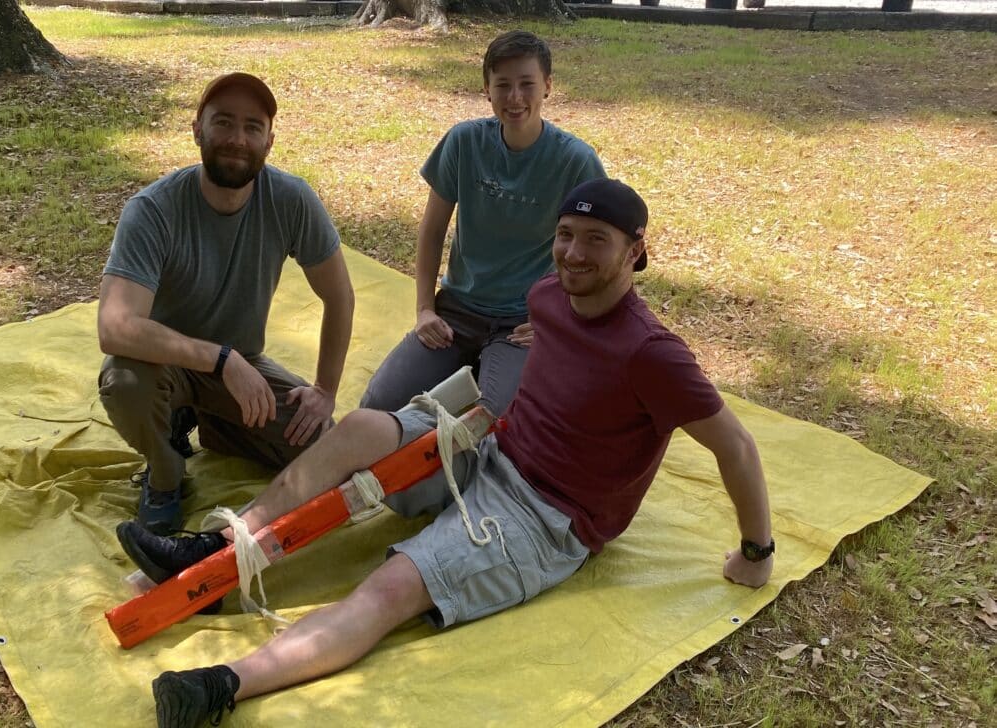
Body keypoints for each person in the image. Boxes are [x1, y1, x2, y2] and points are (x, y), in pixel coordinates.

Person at [121, 178, 776, 728]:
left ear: (636, 252)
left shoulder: (653, 354)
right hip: (490, 447)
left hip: (546, 518)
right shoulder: (550, 296)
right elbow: (554, 358)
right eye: (566, 236)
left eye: (596, 241)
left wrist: (756, 553)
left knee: (392, 584)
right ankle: (215, 554)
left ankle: (221, 687)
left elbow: (737, 447)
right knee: (357, 430)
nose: (573, 254)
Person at [98, 72, 355, 536]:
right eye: (223, 123)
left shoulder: (291, 199)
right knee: (123, 381)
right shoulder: (152, 209)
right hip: (165, 367)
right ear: (197, 129)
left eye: (252, 127)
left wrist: (325, 389)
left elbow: (339, 295)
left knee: (320, 442)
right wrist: (220, 359)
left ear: (269, 141)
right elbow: (115, 327)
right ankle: (164, 471)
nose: (237, 139)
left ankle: (215, 425)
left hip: (242, 366)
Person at [359, 30, 605, 417]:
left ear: (548, 87)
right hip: (457, 311)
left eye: (527, 84)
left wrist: (558, 320)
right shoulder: (464, 142)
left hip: (523, 322)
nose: (515, 98)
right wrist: (425, 309)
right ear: (486, 89)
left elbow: (595, 254)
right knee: (378, 404)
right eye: (502, 85)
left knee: (487, 420)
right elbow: (432, 229)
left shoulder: (574, 160)